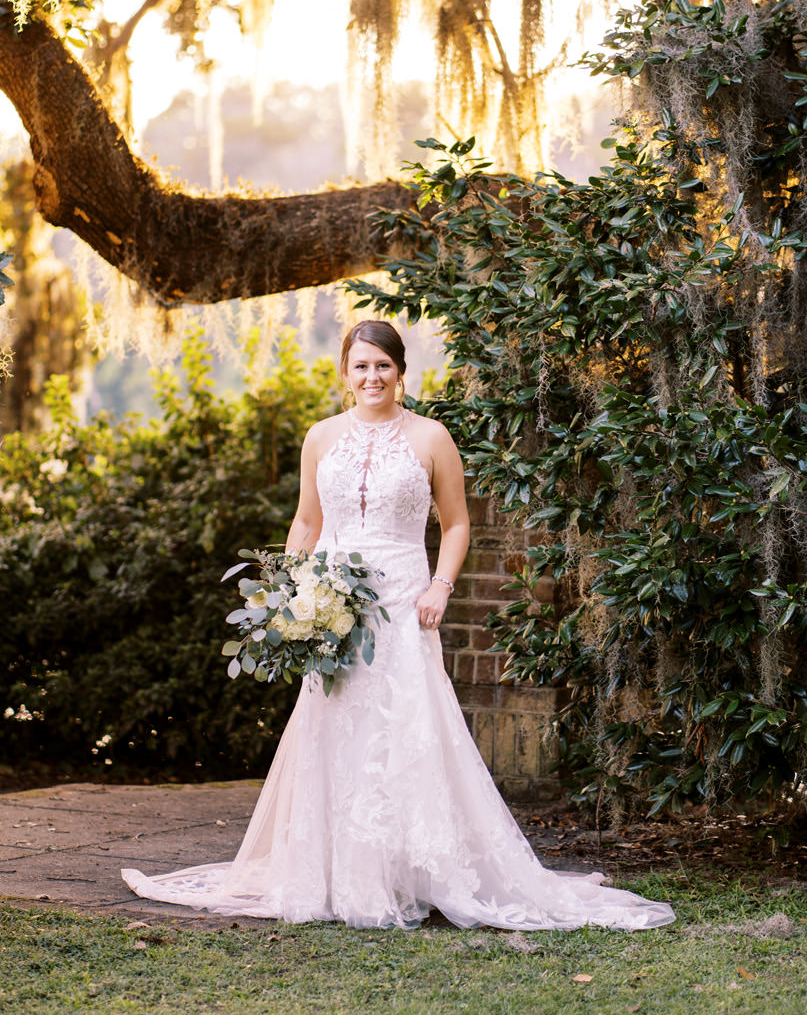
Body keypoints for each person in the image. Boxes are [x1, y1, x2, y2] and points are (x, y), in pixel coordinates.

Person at [122, 320, 674, 931]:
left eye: (382, 366)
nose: (371, 377)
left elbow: (457, 523)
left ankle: (415, 871)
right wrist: (289, 594)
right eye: (360, 366)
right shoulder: (321, 437)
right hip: (330, 605)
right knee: (333, 726)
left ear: (400, 371)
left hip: (403, 601)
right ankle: (334, 872)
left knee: (408, 728)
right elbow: (307, 522)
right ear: (344, 373)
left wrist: (441, 586)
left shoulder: (431, 438)